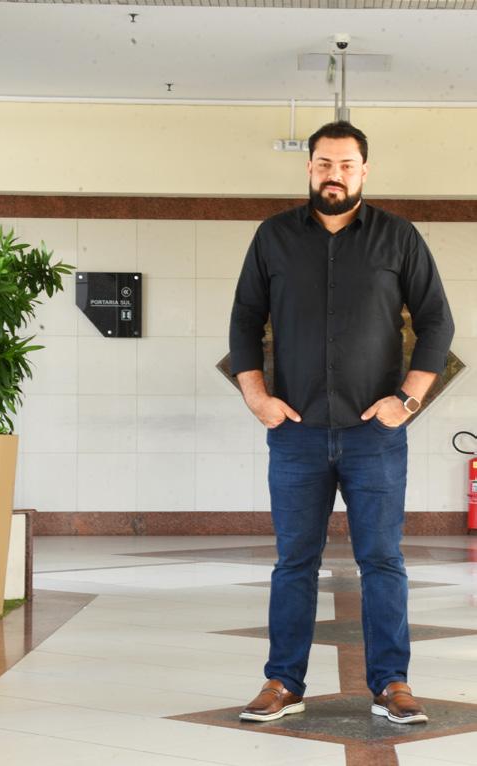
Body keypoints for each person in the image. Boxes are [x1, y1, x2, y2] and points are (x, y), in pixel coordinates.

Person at [229, 121, 454, 726]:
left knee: (382, 560)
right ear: (309, 168)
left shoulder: (398, 237)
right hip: (296, 433)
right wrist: (257, 397)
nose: (335, 174)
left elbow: (437, 322)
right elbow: (244, 320)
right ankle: (283, 681)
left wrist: (406, 401)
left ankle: (392, 684)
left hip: (374, 435)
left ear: (364, 171)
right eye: (325, 163)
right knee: (293, 562)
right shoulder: (273, 236)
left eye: (347, 165)